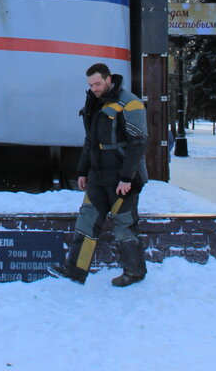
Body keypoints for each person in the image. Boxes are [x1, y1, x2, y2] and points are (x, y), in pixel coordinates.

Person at [51, 63, 148, 287]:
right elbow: (90, 141)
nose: (94, 88)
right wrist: (82, 171)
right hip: (98, 174)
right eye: (90, 85)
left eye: (97, 83)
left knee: (124, 223)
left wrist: (127, 178)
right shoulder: (95, 102)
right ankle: (75, 271)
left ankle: (134, 272)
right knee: (87, 219)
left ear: (108, 79)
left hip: (121, 177)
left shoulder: (130, 103)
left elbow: (138, 143)